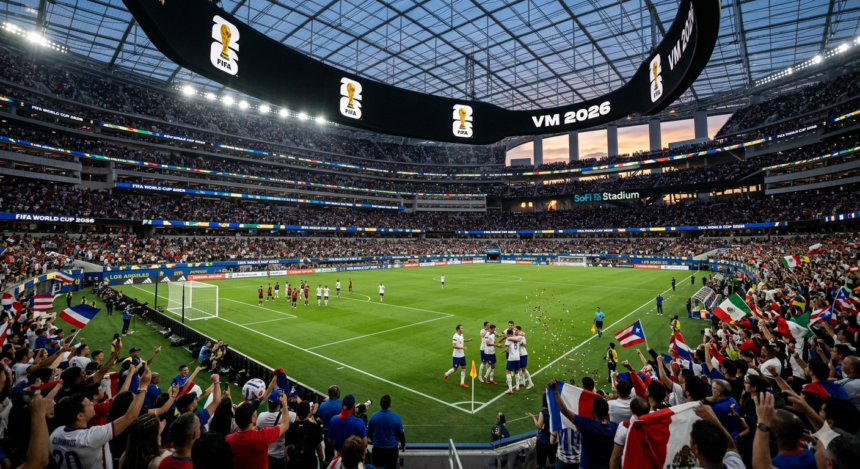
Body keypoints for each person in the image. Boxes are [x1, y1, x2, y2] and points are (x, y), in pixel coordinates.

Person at [51, 367, 153, 469]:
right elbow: (130, 417)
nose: (92, 404)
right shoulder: (92, 437)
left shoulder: (55, 435)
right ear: (80, 416)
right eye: (88, 404)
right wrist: (143, 386)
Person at [549, 379, 617, 469]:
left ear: (593, 411)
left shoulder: (587, 425)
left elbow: (564, 411)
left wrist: (556, 392)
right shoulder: (615, 427)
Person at [226, 398, 291, 469]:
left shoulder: (228, 439)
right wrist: (284, 404)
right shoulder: (262, 436)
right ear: (252, 419)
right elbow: (285, 424)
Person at [367, 395, 405, 469]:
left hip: (378, 449)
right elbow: (400, 433)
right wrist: (403, 445)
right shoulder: (396, 418)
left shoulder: (373, 416)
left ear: (380, 405)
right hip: (391, 450)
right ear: (390, 404)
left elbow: (369, 432)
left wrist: (374, 440)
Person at [284, 400, 325, 469]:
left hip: (294, 464)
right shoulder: (314, 427)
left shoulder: (290, 428)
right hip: (309, 463)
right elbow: (319, 449)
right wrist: (321, 464)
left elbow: (286, 450)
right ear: (309, 413)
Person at [257, 391, 289, 468]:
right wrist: (285, 405)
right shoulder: (287, 417)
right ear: (279, 404)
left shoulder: (261, 416)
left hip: (264, 456)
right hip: (278, 458)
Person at [527, 393, 557, 469]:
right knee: (553, 463)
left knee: (541, 463)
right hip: (554, 441)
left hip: (543, 442)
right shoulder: (555, 411)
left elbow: (539, 426)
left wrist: (533, 418)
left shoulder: (543, 412)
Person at [317, 385, 342, 463]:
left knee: (328, 454)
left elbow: (319, 417)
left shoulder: (323, 405)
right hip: (339, 432)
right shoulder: (342, 405)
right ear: (336, 394)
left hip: (327, 432)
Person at [504, 329, 523, 394]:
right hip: (518, 357)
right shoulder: (517, 337)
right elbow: (520, 340)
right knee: (516, 371)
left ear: (508, 334)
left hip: (511, 357)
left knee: (508, 371)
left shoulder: (508, 339)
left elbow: (506, 349)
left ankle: (510, 389)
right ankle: (517, 387)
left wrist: (506, 349)